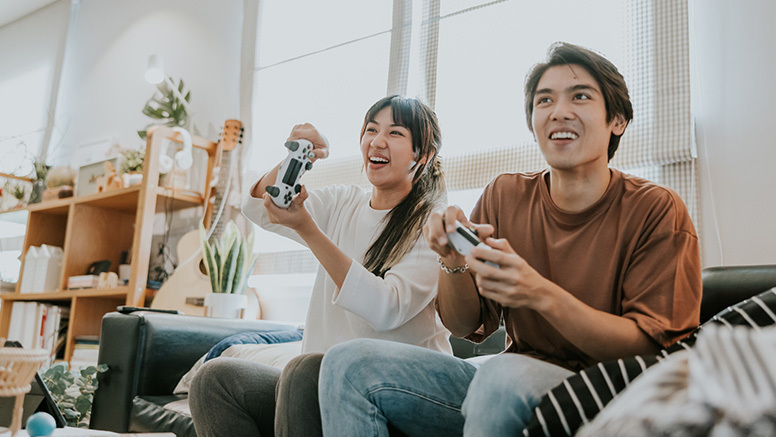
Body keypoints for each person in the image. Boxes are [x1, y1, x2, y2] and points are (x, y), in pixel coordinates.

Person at [318, 42, 702, 436]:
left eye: (580, 96)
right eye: (544, 100)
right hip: (504, 384)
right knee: (347, 363)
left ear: (617, 120)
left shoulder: (657, 209)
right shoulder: (506, 195)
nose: (559, 111)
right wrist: (452, 262)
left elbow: (652, 349)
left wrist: (540, 294)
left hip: (608, 391)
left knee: (503, 374)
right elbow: (464, 325)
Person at [188, 95, 452, 437]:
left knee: (307, 370)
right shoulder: (345, 202)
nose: (377, 141)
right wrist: (293, 155)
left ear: (424, 154)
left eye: (396, 133)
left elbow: (385, 307)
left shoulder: (432, 224)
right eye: (371, 129)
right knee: (215, 380)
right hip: (314, 385)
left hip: (394, 393)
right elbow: (258, 208)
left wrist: (309, 230)